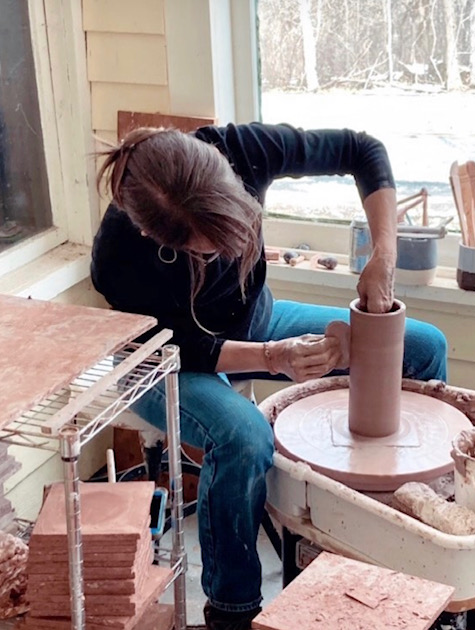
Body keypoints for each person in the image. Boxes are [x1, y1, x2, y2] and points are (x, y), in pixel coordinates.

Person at [91, 122, 447, 630]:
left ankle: (409, 543)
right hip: (163, 363)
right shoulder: (117, 258)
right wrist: (272, 356)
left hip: (258, 321)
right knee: (244, 436)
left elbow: (363, 150)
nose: (232, 254)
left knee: (424, 347)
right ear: (155, 236)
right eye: (212, 250)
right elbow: (182, 347)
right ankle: (234, 612)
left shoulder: (240, 148)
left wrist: (382, 254)